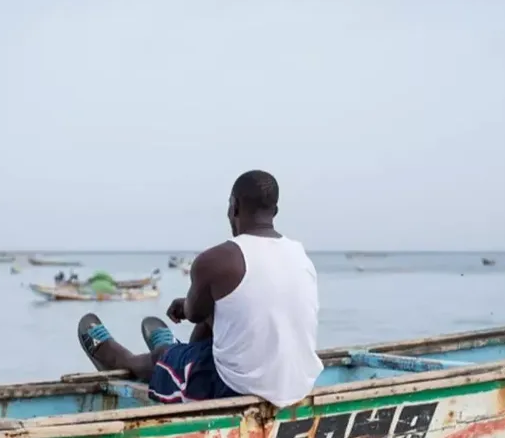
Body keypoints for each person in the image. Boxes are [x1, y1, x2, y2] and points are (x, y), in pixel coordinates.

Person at [77, 170, 322, 408]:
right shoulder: (300, 256)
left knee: (167, 355)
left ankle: (128, 359)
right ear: (275, 211)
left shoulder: (216, 259)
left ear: (234, 207)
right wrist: (189, 307)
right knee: (218, 308)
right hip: (297, 383)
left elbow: (194, 314)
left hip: (236, 385)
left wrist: (185, 307)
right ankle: (183, 353)